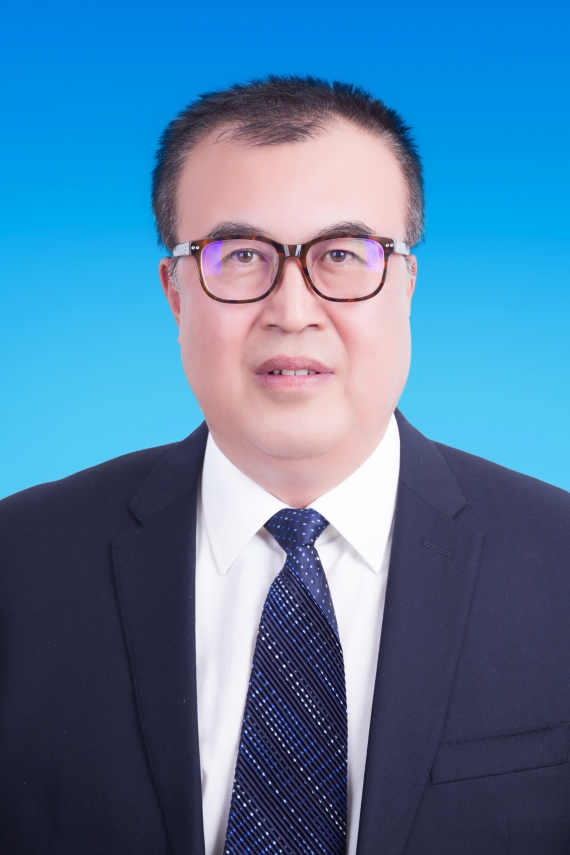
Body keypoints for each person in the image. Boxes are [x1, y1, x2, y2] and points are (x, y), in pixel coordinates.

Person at [1, 76, 569, 855]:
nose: (293, 311)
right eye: (240, 256)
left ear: (406, 284)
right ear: (175, 293)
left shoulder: (559, 561)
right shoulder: (19, 562)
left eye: (342, 254)